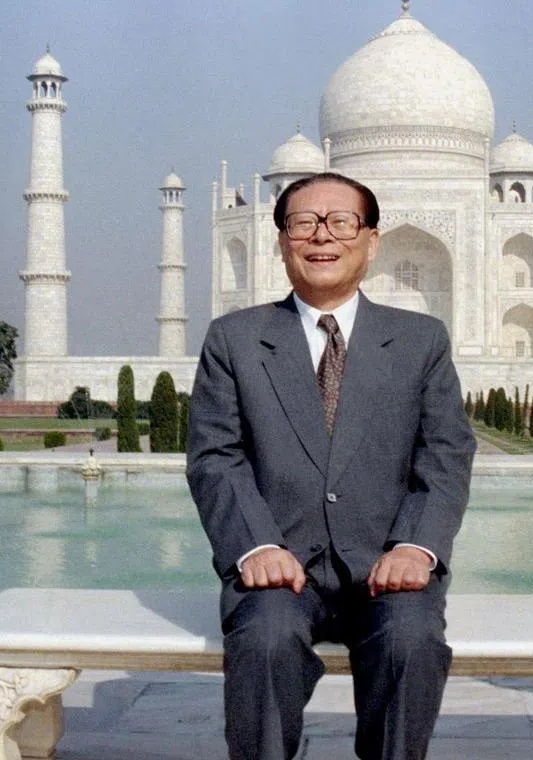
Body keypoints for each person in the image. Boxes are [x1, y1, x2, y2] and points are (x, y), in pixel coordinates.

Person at [187, 172, 476, 760]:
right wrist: (255, 546)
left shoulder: (419, 339)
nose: (322, 237)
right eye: (303, 222)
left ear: (371, 241)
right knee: (265, 640)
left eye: (341, 222)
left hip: (387, 567)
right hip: (281, 568)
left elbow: (445, 453)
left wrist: (416, 547)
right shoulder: (235, 340)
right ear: (281, 240)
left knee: (410, 640)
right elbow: (216, 457)